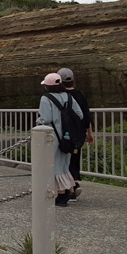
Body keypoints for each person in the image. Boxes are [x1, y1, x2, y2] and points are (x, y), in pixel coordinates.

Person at [37, 73, 83, 207]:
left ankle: (61, 195)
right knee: (64, 164)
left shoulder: (46, 98)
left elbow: (45, 119)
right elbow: (79, 114)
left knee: (55, 165)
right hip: (69, 137)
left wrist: (38, 121)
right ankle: (70, 189)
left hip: (54, 137)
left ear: (47, 86)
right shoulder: (69, 97)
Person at [58, 68, 94, 200]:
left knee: (62, 160)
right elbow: (86, 116)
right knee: (74, 159)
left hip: (64, 134)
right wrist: (89, 133)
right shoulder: (80, 95)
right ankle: (73, 184)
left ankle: (69, 188)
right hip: (78, 135)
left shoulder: (61, 96)